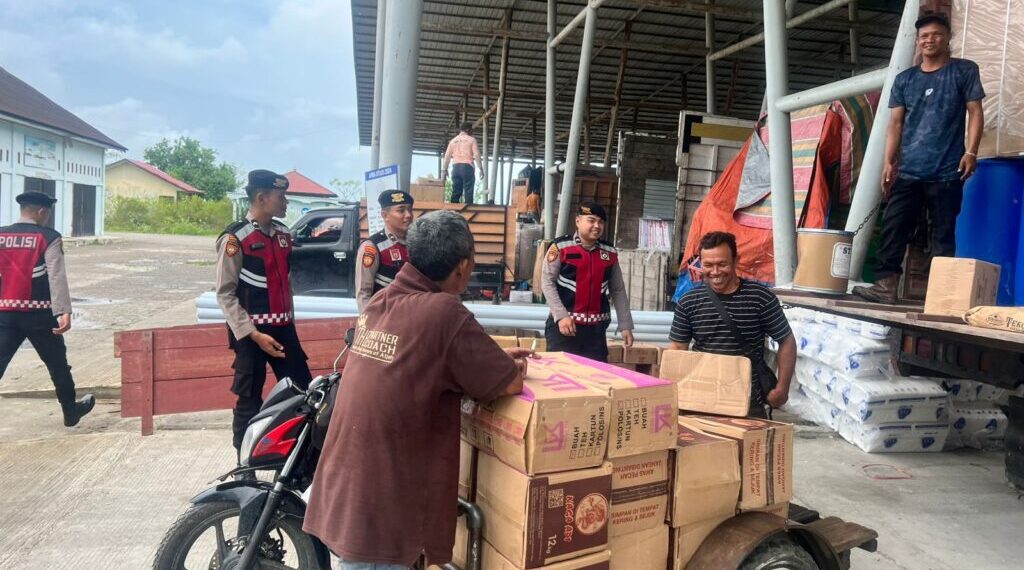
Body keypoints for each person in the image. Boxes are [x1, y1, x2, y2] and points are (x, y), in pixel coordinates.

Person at [304, 210, 535, 569]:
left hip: (350, 488)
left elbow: (422, 357)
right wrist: (512, 367)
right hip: (382, 508)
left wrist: (489, 359)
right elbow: (509, 383)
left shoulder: (382, 301)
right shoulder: (444, 311)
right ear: (463, 265)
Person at [853, 13, 985, 304]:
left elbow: (975, 112)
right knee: (893, 227)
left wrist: (971, 151)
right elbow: (895, 124)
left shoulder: (964, 71)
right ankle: (885, 286)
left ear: (947, 38)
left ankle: (939, 294)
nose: (929, 40)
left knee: (943, 233)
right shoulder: (905, 80)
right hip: (909, 171)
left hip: (948, 170)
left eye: (936, 34)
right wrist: (888, 162)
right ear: (917, 41)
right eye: (924, 36)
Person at [215, 169, 313, 457]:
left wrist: (289, 321)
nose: (286, 202)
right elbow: (225, 294)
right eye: (281, 196)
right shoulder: (235, 239)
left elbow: (286, 284)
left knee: (304, 393)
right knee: (248, 401)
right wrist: (254, 334)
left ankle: (300, 460)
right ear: (261, 198)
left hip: (283, 332)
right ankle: (244, 465)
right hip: (251, 336)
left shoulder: (283, 235)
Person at [669, 232, 797, 419]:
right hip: (701, 401)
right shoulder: (688, 302)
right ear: (700, 263)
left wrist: (782, 388)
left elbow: (786, 341)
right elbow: (677, 349)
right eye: (708, 265)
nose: (715, 272)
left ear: (736, 261)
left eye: (722, 264)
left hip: (748, 403)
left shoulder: (760, 298)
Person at [0, 192, 95, 426]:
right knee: (57, 364)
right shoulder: (49, 237)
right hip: (40, 315)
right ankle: (70, 412)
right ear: (42, 212)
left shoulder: (2, 235)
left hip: (5, 313)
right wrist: (64, 311)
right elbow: (56, 276)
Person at [542, 201, 634, 362]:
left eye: (601, 222)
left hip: (595, 334)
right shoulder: (560, 247)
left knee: (594, 376)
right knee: (562, 374)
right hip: (564, 329)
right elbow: (547, 282)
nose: (596, 226)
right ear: (578, 221)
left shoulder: (609, 252)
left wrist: (625, 324)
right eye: (591, 220)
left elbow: (617, 289)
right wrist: (561, 316)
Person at [355, 190, 414, 312]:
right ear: (385, 215)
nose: (408, 215)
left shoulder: (417, 242)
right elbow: (364, 293)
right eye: (401, 210)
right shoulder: (372, 247)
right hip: (386, 318)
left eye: (410, 210)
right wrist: (369, 321)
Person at [441, 121, 484, 204]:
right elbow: (477, 155)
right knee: (468, 191)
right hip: (467, 167)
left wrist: (444, 170)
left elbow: (447, 156)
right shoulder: (472, 140)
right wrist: (481, 169)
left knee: (456, 191)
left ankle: (453, 209)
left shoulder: (453, 141)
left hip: (455, 168)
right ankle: (468, 209)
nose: (472, 132)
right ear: (467, 130)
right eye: (471, 130)